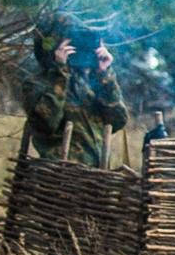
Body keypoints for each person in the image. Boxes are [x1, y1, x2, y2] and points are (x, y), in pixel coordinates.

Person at [19, 26, 129, 167]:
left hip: (97, 174)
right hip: (61, 175)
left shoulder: (87, 83)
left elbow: (118, 121)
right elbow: (45, 125)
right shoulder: (36, 84)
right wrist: (59, 72)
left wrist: (104, 74)